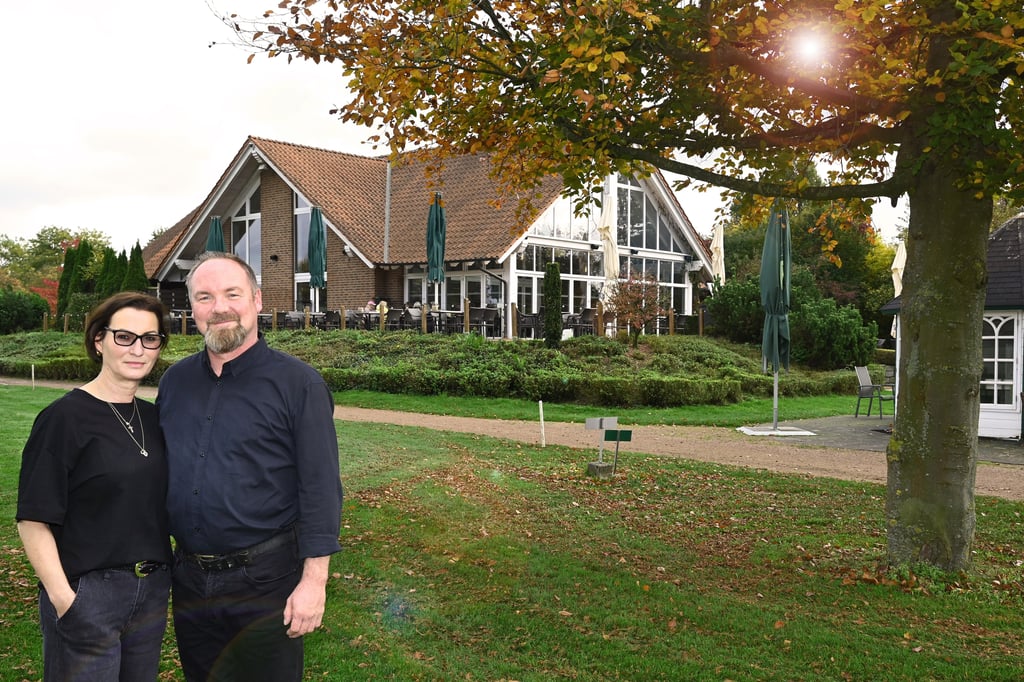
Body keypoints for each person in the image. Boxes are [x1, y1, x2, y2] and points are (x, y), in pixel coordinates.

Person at [157, 252, 343, 682]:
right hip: (190, 582)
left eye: (232, 294)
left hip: (266, 583)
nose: (219, 307)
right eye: (204, 297)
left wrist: (314, 583)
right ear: (193, 309)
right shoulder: (174, 383)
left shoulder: (299, 385)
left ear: (257, 301)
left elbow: (320, 489)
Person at [16, 292, 172, 681]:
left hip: (150, 591)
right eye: (124, 337)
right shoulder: (63, 419)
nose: (138, 349)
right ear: (98, 340)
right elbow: (33, 518)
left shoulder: (155, 418)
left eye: (149, 339)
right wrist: (63, 598)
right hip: (88, 593)